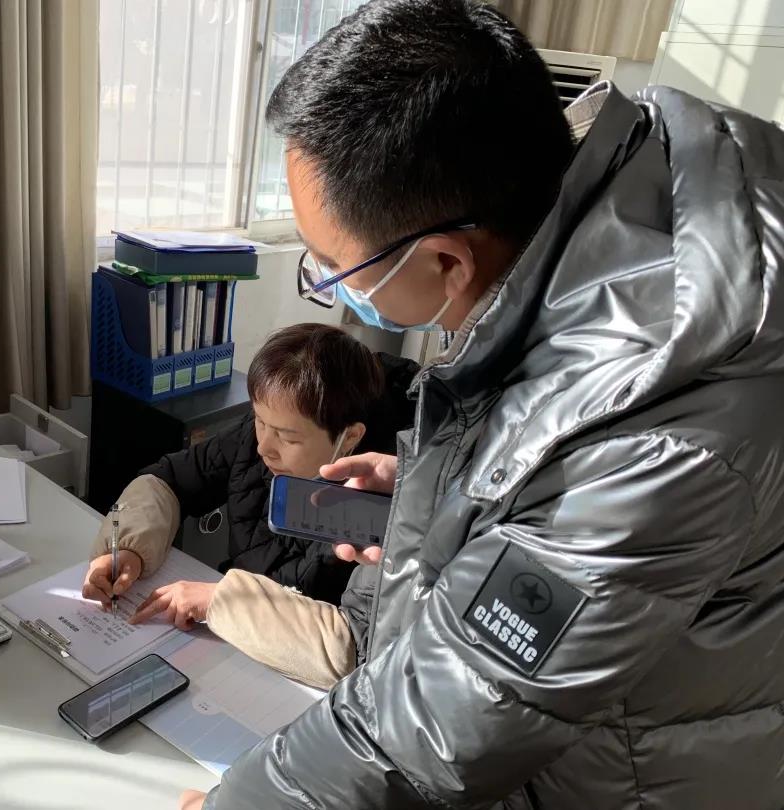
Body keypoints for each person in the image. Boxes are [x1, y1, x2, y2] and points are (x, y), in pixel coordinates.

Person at [175, 1, 784, 809]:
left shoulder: (653, 431)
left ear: (446, 261)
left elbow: (446, 722)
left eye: (329, 268)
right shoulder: (623, 189)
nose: (327, 291)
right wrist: (448, 501)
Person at [82, 323, 417, 614]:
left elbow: (352, 632)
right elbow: (167, 480)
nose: (263, 447)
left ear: (350, 437)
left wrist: (226, 602)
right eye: (260, 421)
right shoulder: (255, 437)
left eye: (288, 437)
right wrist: (128, 547)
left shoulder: (390, 503)